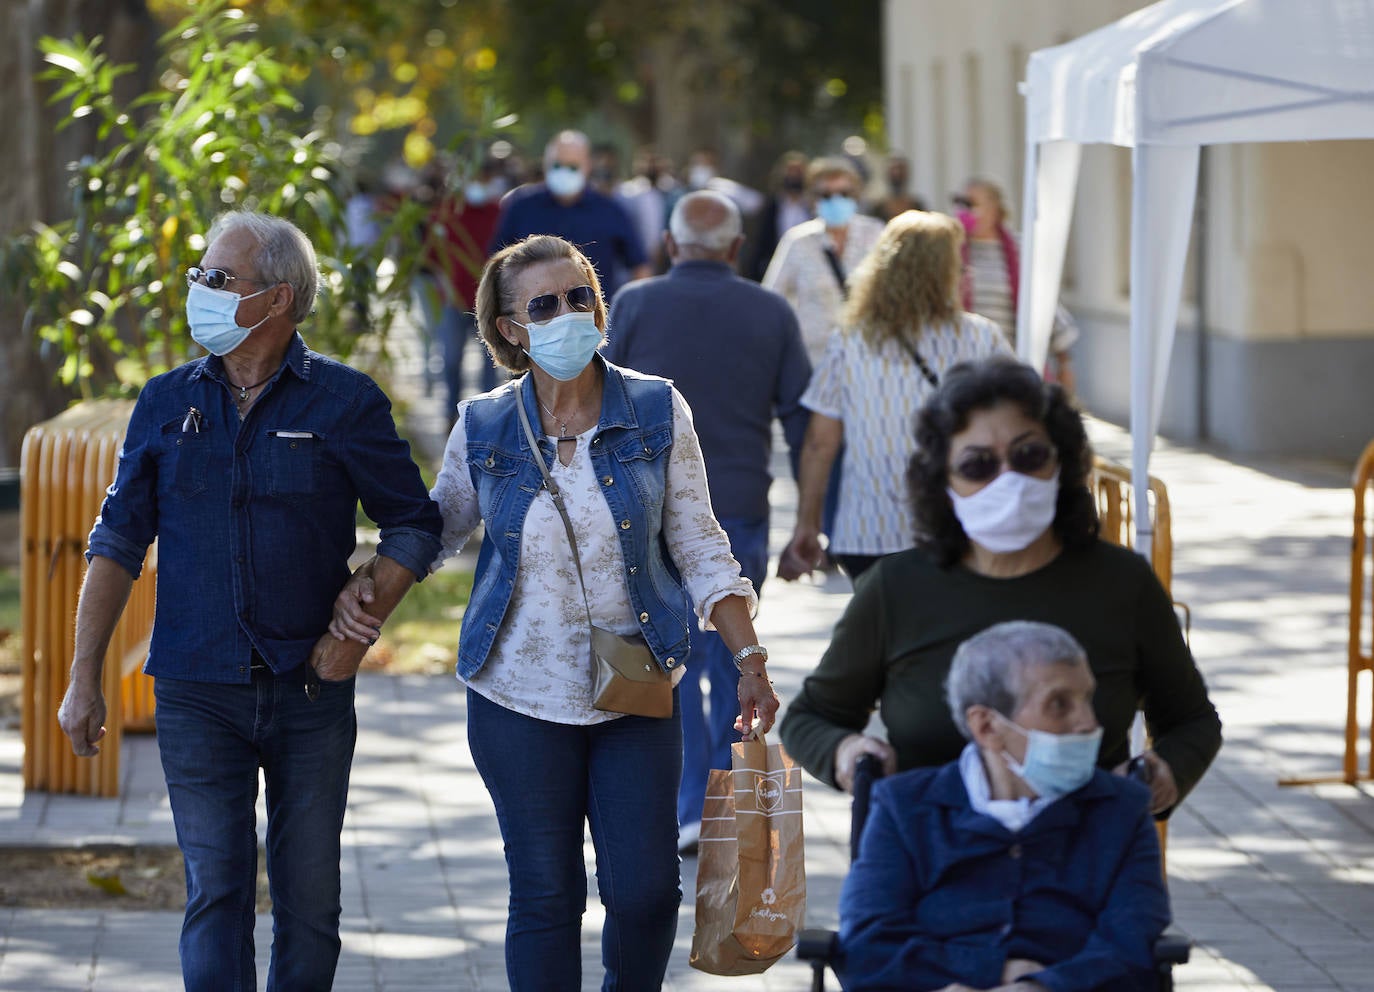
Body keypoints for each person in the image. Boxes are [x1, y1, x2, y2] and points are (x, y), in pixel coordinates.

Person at [332, 233, 781, 990]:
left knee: (644, 894)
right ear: (510, 329)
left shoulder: (656, 408)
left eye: (581, 298)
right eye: (545, 305)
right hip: (516, 691)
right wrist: (362, 597)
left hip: (635, 685)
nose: (569, 313)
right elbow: (435, 529)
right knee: (546, 896)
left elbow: (701, 544)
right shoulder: (484, 424)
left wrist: (750, 658)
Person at [57, 211, 444, 990]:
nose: (196, 289)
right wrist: (82, 674)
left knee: (309, 906)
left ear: (274, 300)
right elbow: (116, 541)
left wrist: (362, 618)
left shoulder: (345, 401)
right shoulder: (166, 402)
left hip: (311, 688)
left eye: (215, 278)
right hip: (197, 689)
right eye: (198, 273)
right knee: (216, 894)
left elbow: (415, 521)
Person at [779, 355, 1221, 818]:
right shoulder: (895, 589)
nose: (1008, 479)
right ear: (942, 482)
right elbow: (810, 718)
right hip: (929, 862)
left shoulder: (1122, 583)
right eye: (978, 465)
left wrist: (1168, 772)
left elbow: (1191, 720)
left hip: (1089, 861)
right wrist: (848, 754)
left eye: (1029, 456)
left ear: (1062, 461)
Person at [606, 190, 812, 853]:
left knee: (668, 663)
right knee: (734, 661)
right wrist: (811, 521)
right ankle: (731, 805)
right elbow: (804, 422)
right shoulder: (771, 311)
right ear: (735, 247)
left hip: (650, 513)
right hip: (738, 509)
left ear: (670, 245)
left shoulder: (634, 305)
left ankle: (688, 802)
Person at [837, 621, 1170, 992]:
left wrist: (1040, 987)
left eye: (1087, 698)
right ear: (987, 726)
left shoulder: (1121, 809)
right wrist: (993, 972)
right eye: (1059, 704)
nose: (1088, 722)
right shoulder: (905, 808)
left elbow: (1134, 945)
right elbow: (867, 947)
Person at [777, 210, 1010, 582]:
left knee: (884, 637)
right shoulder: (982, 338)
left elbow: (821, 444)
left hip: (867, 534)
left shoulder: (851, 340)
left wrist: (806, 525)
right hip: (958, 527)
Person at [490, 129, 651, 300]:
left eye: (573, 166)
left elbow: (640, 266)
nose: (564, 172)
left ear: (588, 166)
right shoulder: (521, 207)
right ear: (546, 164)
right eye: (558, 165)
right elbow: (497, 262)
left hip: (593, 317)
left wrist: (631, 313)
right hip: (534, 317)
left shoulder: (609, 210)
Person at [955, 177, 1078, 391]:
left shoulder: (1021, 249)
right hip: (966, 365)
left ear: (994, 209)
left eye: (971, 204)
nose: (963, 210)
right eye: (960, 202)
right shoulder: (953, 249)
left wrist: (1064, 362)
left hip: (1011, 363)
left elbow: (1044, 303)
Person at [762, 156, 885, 366]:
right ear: (813, 198)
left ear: (855, 196)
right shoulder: (798, 240)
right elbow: (772, 297)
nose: (835, 201)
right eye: (826, 195)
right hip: (814, 359)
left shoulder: (875, 233)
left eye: (843, 194)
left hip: (867, 357)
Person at [433, 157, 505, 420]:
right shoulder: (445, 213)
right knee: (451, 360)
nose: (478, 184)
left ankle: (492, 418)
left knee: (492, 362)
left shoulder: (498, 213)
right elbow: (431, 257)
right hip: (453, 300)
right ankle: (451, 417)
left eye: (483, 178)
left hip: (489, 301)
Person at [745, 150, 813, 281]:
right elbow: (761, 243)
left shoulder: (813, 207)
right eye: (790, 172)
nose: (794, 177)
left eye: (798, 172)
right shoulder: (771, 207)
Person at [871, 153, 927, 220]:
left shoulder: (916, 205)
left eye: (901, 169)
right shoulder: (877, 206)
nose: (897, 173)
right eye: (893, 169)